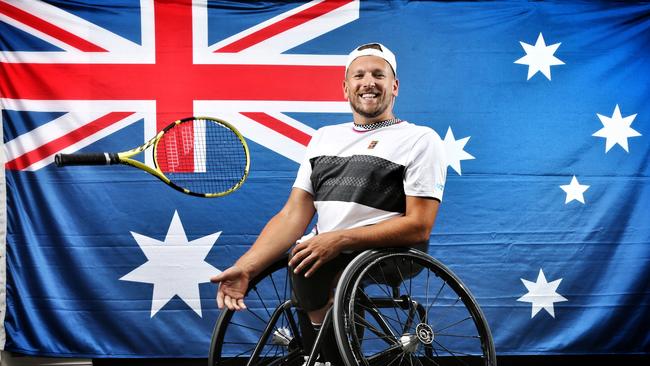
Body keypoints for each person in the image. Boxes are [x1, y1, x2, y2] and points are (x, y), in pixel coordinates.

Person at [210, 42, 447, 365]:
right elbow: (292, 215)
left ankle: (328, 355)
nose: (368, 82)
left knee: (324, 267)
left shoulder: (420, 139)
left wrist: (340, 239)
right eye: (359, 75)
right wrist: (248, 267)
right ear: (345, 88)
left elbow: (419, 226)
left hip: (393, 252)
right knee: (305, 260)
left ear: (394, 86)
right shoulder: (323, 137)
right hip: (328, 251)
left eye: (379, 74)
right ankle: (324, 354)